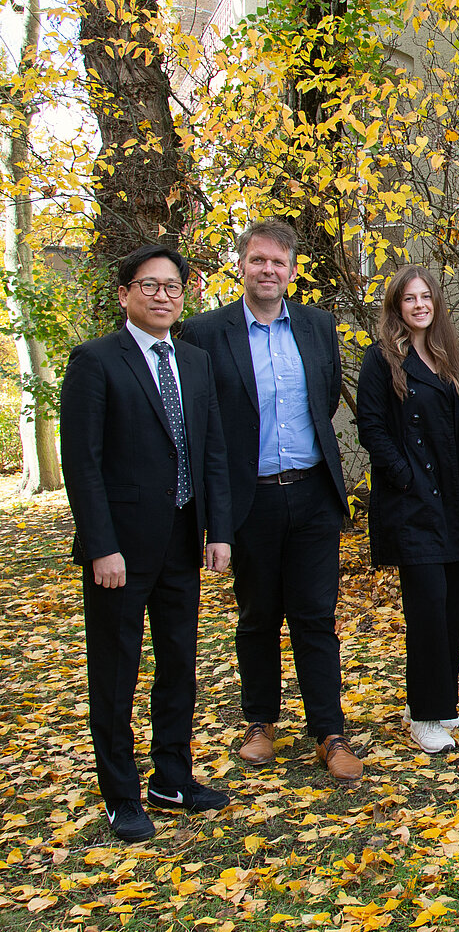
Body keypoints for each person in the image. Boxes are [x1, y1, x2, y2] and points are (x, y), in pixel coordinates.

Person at [61, 245, 233, 842]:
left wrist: (219, 530)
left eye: (173, 286)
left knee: (179, 665)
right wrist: (100, 545)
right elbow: (81, 463)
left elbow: (212, 450)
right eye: (150, 285)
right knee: (116, 671)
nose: (163, 295)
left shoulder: (195, 361)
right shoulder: (95, 361)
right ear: (124, 294)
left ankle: (172, 779)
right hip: (120, 552)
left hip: (183, 541)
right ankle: (120, 795)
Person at [180, 218, 360, 780]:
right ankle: (260, 722)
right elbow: (202, 423)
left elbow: (324, 400)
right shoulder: (205, 333)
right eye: (258, 260)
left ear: (292, 270)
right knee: (257, 616)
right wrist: (216, 518)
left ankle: (329, 731)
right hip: (249, 498)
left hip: (311, 493)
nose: (268, 270)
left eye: (278, 262)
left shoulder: (317, 325)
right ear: (241, 266)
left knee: (315, 616)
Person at [357, 266, 459, 753]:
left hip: (453, 501)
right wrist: (404, 475)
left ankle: (438, 703)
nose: (419, 305)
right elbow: (371, 427)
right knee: (428, 610)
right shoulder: (382, 358)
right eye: (409, 298)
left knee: (451, 608)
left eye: (426, 296)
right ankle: (425, 715)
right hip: (412, 503)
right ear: (397, 305)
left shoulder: (449, 356)